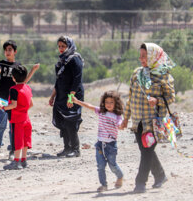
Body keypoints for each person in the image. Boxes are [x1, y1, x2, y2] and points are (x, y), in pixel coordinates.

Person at [120, 43, 175, 193]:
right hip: (138, 122)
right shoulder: (137, 73)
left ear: (153, 57)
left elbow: (170, 99)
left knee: (146, 151)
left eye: (144, 56)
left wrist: (157, 101)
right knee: (146, 151)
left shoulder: (163, 76)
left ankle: (140, 183)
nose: (141, 59)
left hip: (154, 123)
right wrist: (126, 118)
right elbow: (130, 97)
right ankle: (160, 175)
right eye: (140, 55)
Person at [0, 40, 39, 160]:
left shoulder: (18, 66)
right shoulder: (2, 63)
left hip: (14, 101)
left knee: (13, 126)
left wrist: (33, 70)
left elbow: (23, 82)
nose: (7, 52)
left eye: (10, 50)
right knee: (0, 125)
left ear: (15, 52)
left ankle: (13, 150)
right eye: (6, 50)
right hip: (2, 98)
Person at [71, 91, 124, 192]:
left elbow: (120, 124)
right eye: (106, 102)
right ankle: (104, 185)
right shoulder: (101, 111)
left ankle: (120, 176)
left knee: (112, 165)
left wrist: (122, 126)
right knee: (100, 166)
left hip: (111, 146)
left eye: (111, 102)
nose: (108, 104)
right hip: (100, 144)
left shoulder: (117, 116)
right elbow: (89, 106)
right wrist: (77, 101)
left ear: (116, 103)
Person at [49, 36, 84, 158]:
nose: (61, 49)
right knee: (62, 121)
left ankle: (76, 149)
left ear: (69, 46)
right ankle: (67, 148)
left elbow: (77, 80)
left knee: (70, 121)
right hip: (61, 95)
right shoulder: (61, 61)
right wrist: (53, 96)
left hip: (72, 96)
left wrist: (71, 98)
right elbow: (58, 81)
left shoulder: (75, 60)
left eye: (63, 46)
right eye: (59, 46)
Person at [0, 65, 33, 170]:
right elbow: (31, 104)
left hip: (17, 120)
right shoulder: (27, 87)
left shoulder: (13, 89)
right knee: (26, 140)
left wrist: (4, 107)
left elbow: (14, 105)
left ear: (13, 77)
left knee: (17, 140)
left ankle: (16, 162)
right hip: (27, 119)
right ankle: (24, 160)